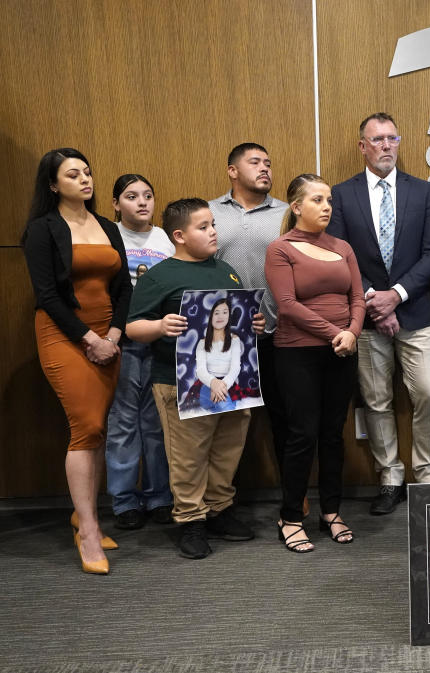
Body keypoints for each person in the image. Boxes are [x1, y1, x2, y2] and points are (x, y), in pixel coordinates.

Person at [127, 198, 264, 559]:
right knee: (188, 455)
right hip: (179, 382)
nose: (213, 232)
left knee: (227, 448)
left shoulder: (226, 271)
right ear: (180, 235)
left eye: (213, 225)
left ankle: (219, 509)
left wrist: (254, 324)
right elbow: (132, 327)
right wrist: (158, 326)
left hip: (234, 381)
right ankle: (190, 520)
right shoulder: (159, 275)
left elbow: (233, 321)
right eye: (203, 227)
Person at [328, 112, 430, 515]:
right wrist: (374, 302)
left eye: (392, 138)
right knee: (376, 401)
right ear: (363, 146)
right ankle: (390, 477)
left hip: (415, 312)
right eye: (377, 139)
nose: (385, 146)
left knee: (429, 394)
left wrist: (395, 295)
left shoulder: (423, 192)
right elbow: (339, 255)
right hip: (364, 315)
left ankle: (427, 475)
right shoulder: (342, 195)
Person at [22, 148, 132, 574]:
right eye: (73, 175)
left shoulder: (106, 225)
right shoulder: (42, 230)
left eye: (87, 172)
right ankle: (87, 529)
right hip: (65, 336)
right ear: (53, 185)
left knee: (98, 427)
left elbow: (124, 287)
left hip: (109, 335)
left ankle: (84, 515)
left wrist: (113, 335)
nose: (85, 179)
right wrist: (88, 339)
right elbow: (47, 295)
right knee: (85, 426)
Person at [265, 174, 365, 552]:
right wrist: (334, 332)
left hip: (342, 349)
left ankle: (332, 511)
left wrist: (352, 332)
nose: (326, 207)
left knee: (332, 434)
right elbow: (287, 304)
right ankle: (290, 517)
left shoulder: (343, 247)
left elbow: (358, 297)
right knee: (302, 434)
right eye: (317, 200)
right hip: (297, 352)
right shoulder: (281, 248)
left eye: (328, 201)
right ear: (296, 207)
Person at [208, 143, 289, 473]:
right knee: (224, 424)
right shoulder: (209, 212)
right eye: (255, 162)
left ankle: (293, 498)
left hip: (278, 335)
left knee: (285, 419)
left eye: (268, 163)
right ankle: (222, 504)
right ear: (232, 171)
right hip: (225, 338)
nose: (265, 168)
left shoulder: (287, 213)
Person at [106, 174, 175, 530]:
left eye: (148, 195)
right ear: (116, 204)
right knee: (123, 424)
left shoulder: (164, 237)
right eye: (131, 197)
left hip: (160, 340)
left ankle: (160, 496)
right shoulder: (109, 236)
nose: (142, 202)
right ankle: (124, 502)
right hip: (122, 341)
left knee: (156, 423)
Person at [194, 297, 242, 413]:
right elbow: (200, 370)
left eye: (225, 312)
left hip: (228, 385)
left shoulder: (235, 340)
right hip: (207, 385)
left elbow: (236, 367)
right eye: (217, 313)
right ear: (211, 317)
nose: (221, 316)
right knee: (225, 407)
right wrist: (213, 383)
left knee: (225, 406)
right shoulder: (202, 343)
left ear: (229, 316)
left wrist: (221, 386)